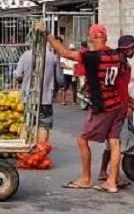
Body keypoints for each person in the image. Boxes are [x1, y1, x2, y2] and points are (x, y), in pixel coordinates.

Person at [42, 23, 127, 193]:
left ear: (94, 37)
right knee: (114, 142)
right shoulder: (117, 55)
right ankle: (111, 181)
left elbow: (64, 52)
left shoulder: (91, 56)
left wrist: (48, 35)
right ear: (105, 36)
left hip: (102, 106)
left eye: (91, 36)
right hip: (117, 104)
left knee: (82, 140)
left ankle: (86, 178)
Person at [97, 35, 134, 188]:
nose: (132, 50)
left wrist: (129, 101)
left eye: (133, 48)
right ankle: (114, 177)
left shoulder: (126, 67)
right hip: (113, 108)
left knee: (111, 143)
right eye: (130, 47)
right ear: (122, 49)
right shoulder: (114, 64)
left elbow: (122, 89)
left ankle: (105, 172)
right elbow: (109, 86)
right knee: (115, 143)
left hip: (120, 108)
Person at [14, 43, 63, 145]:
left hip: (28, 98)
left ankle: (23, 151)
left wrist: (24, 81)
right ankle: (40, 153)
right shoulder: (53, 57)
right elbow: (60, 80)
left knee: (27, 123)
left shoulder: (25, 55)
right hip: (45, 98)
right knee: (43, 125)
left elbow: (18, 75)